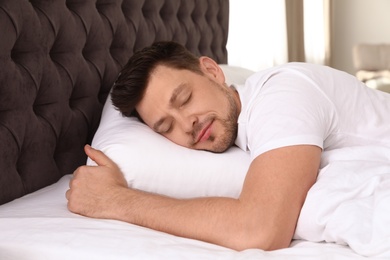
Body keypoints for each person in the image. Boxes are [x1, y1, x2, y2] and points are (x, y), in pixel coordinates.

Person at [66, 41, 390, 251]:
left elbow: (260, 229)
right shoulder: (244, 126)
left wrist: (117, 200)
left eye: (184, 98)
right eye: (166, 127)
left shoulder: (280, 97)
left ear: (212, 71)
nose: (186, 124)